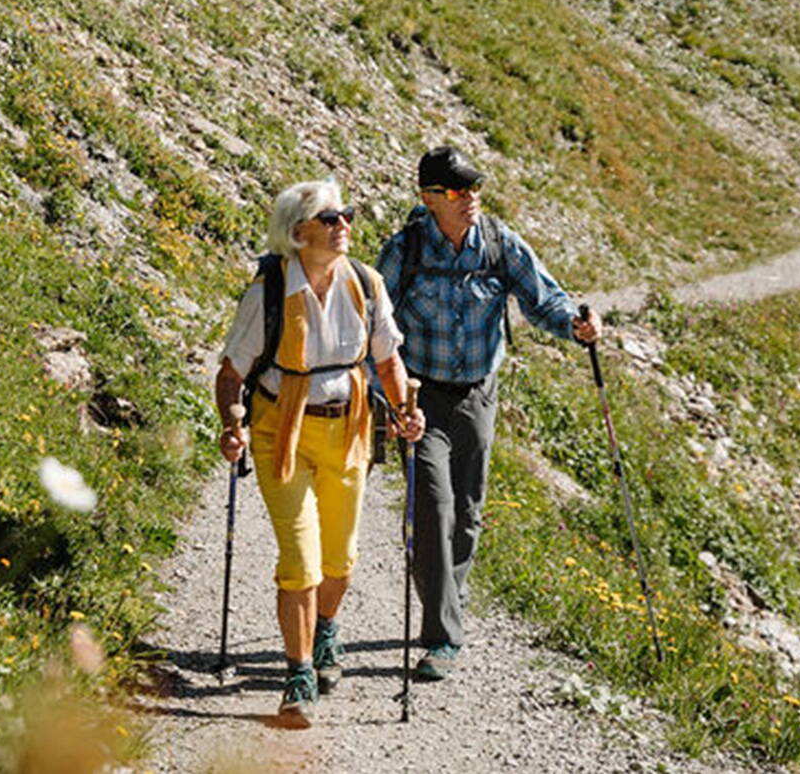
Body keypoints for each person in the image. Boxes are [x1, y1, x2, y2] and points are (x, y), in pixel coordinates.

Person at [377, 146, 601, 682]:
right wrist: (380, 394)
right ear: (430, 198)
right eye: (457, 191)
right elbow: (374, 319)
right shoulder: (405, 250)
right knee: (434, 507)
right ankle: (441, 638)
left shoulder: (499, 244)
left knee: (468, 510)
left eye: (475, 187)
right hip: (420, 396)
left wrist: (576, 323)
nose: (470, 198)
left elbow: (543, 298)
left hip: (478, 391)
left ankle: (446, 594)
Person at [215, 178, 423, 729]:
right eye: (331, 219)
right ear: (298, 233)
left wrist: (405, 410)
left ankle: (326, 627)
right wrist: (230, 423)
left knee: (340, 560)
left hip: (349, 430)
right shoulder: (268, 293)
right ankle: (299, 673)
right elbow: (232, 373)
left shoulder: (365, 283)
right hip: (280, 433)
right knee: (301, 560)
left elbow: (387, 361)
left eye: (345, 215)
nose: (343, 225)